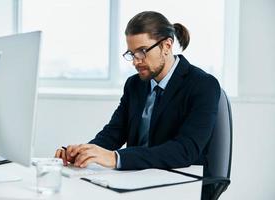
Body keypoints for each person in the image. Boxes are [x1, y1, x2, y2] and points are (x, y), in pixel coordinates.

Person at [55, 11, 220, 170]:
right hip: (136, 176)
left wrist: (116, 158)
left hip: (179, 179)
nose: (135, 61)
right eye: (131, 53)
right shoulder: (135, 84)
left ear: (166, 46)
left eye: (142, 52)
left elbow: (185, 150)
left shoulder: (203, 85)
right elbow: (114, 132)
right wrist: (85, 152)